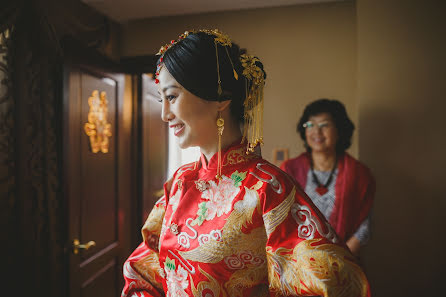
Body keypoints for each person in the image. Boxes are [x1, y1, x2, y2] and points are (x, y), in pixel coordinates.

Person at [122, 29, 370, 297]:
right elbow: (143, 272)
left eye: (171, 97)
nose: (164, 114)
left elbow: (333, 283)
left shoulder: (267, 189)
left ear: (220, 98)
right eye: (161, 100)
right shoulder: (179, 184)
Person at [280, 99, 375, 256]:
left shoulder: (359, 174)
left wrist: (339, 259)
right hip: (298, 261)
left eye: (324, 125)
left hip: (344, 263)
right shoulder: (290, 170)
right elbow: (281, 221)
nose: (316, 131)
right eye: (310, 125)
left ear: (339, 130)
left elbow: (364, 228)